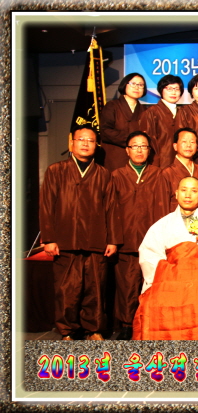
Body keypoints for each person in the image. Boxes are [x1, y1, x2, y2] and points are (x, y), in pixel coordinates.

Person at [39, 125, 120, 340]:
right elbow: (46, 206)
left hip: (96, 241)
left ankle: (94, 329)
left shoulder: (103, 174)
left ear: (96, 145)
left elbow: (111, 208)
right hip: (66, 240)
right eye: (81, 139)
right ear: (71, 143)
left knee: (95, 288)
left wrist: (112, 240)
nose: (85, 144)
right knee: (67, 289)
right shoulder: (56, 170)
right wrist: (49, 239)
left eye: (90, 140)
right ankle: (67, 331)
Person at [133, 176, 198, 340]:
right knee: (150, 304)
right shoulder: (162, 225)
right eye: (184, 190)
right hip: (168, 280)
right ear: (176, 194)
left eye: (194, 191)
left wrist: (193, 272)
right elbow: (149, 255)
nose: (188, 195)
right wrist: (173, 274)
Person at [110, 131, 167, 340]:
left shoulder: (159, 174)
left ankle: (150, 323)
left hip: (152, 242)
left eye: (144, 146)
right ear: (127, 150)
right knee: (126, 286)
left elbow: (165, 208)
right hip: (125, 241)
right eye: (135, 146)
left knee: (152, 283)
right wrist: (113, 239)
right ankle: (127, 325)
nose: (139, 150)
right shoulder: (117, 176)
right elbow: (111, 210)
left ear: (149, 150)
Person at [100, 73, 148, 172]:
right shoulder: (112, 106)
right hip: (116, 156)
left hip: (137, 157)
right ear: (124, 85)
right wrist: (131, 140)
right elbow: (105, 131)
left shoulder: (145, 110)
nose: (137, 87)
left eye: (140, 85)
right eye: (133, 84)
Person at [139, 74, 188, 169]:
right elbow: (147, 142)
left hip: (181, 164)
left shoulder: (183, 113)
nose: (173, 92)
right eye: (169, 89)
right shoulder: (151, 112)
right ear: (161, 90)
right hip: (158, 165)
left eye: (176, 89)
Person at [159, 127, 198, 213]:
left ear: (196, 146)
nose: (188, 145)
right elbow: (162, 207)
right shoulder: (167, 173)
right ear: (175, 146)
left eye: (192, 142)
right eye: (184, 141)